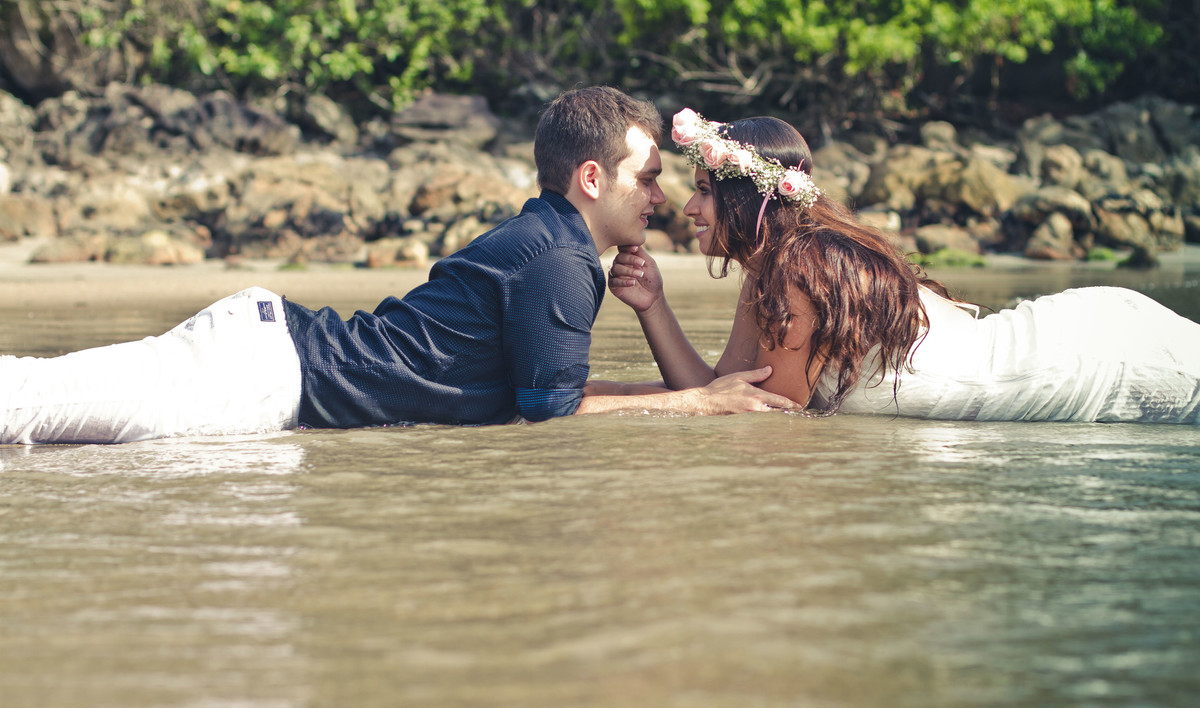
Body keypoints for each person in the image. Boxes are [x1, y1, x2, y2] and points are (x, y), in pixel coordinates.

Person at [0, 89, 798, 445]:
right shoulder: (558, 257)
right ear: (593, 179)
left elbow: (554, 389)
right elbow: (552, 419)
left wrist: (681, 394)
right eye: (648, 176)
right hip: (262, 375)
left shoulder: (551, 240)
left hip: (266, 359)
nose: (660, 196)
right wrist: (691, 409)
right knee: (31, 405)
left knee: (36, 406)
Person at [607, 108, 1200, 424]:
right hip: (1085, 336)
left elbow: (762, 416)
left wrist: (604, 404)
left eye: (706, 190)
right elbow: (722, 392)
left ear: (746, 197)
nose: (689, 206)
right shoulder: (776, 270)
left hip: (1093, 358)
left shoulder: (799, 270)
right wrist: (652, 309)